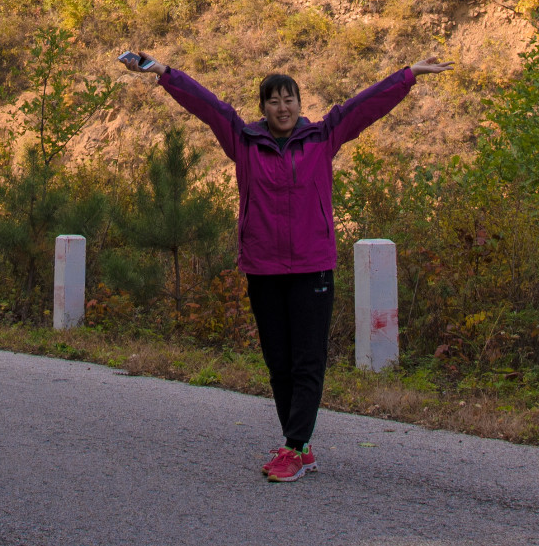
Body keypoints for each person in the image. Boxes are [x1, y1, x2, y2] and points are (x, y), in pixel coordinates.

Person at [115, 49, 453, 483]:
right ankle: (300, 445)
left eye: (289, 99)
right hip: (263, 268)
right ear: (263, 108)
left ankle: (293, 448)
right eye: (273, 100)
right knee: (279, 362)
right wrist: (161, 71)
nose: (282, 107)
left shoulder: (322, 137)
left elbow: (364, 105)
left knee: (307, 361)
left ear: (300, 103)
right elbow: (207, 104)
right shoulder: (243, 141)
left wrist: (408, 76)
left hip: (312, 267)